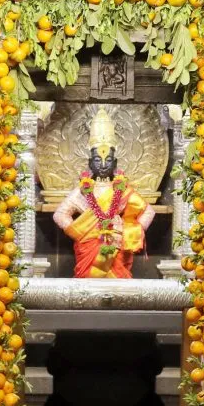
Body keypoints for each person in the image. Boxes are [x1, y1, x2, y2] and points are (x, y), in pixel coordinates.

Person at [53, 108, 154, 278]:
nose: (103, 164)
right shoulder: (82, 191)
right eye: (98, 160)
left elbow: (148, 211)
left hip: (117, 246)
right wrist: (80, 232)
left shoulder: (121, 189)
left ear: (115, 163)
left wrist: (130, 231)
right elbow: (60, 215)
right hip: (88, 246)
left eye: (108, 160)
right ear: (90, 163)